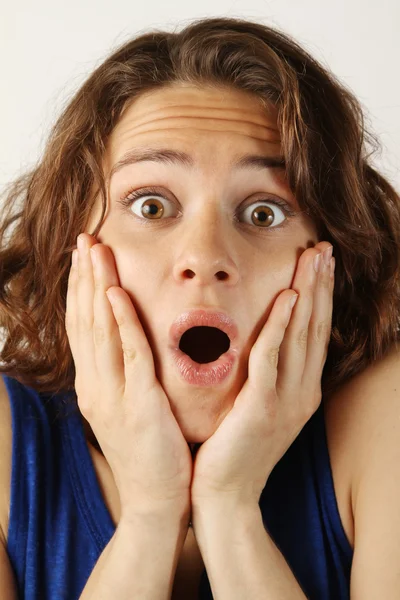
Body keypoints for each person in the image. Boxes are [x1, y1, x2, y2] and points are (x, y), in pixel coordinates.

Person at [0, 15, 399, 600]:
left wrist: (229, 508)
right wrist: (151, 513)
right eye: (152, 205)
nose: (205, 257)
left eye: (264, 212)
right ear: (73, 248)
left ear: (327, 258)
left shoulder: (385, 419)